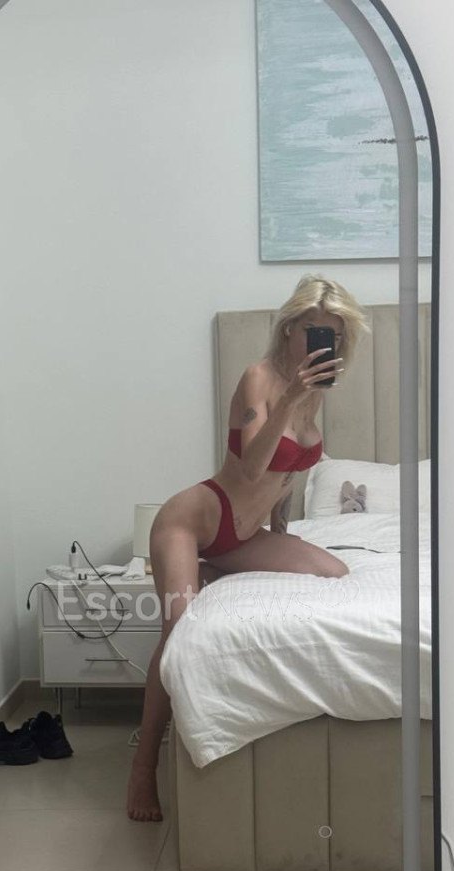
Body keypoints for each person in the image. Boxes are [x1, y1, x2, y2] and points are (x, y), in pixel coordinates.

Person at [126, 274, 370, 821]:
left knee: (333, 570)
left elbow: (286, 477)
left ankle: (211, 574)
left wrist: (280, 529)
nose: (323, 343)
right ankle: (143, 766)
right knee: (178, 629)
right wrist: (290, 398)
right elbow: (255, 467)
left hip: (244, 536)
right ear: (288, 330)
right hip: (193, 521)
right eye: (313, 331)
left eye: (333, 335)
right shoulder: (260, 379)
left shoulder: (314, 394)